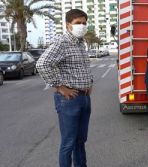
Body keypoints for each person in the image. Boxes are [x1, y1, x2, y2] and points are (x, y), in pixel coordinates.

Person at [36, 9, 93, 167]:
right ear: (68, 25)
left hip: (84, 97)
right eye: (77, 23)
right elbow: (42, 64)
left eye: (84, 23)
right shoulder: (62, 42)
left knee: (80, 141)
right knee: (68, 142)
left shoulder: (81, 43)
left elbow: (83, 67)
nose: (81, 26)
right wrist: (60, 87)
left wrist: (90, 82)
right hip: (69, 99)